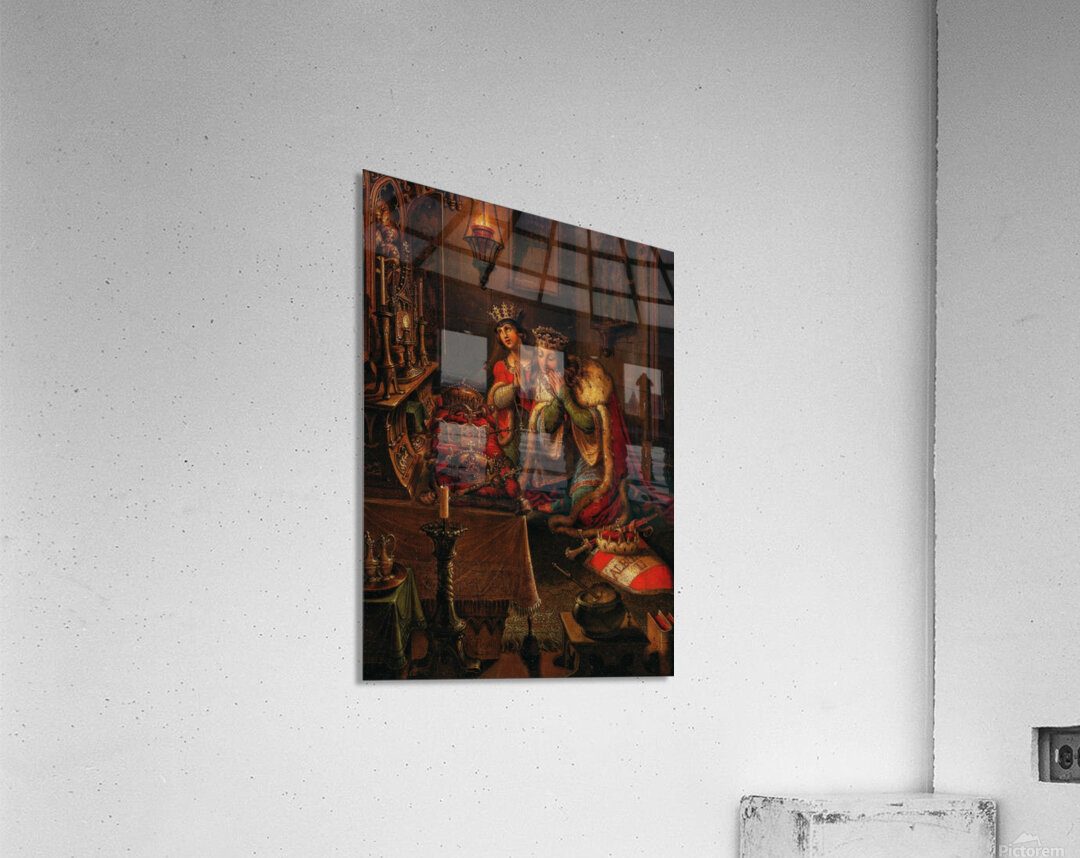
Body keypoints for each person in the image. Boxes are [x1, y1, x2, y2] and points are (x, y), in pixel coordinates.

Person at [484, 302, 529, 467]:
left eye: (508, 329)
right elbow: (497, 401)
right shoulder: (500, 366)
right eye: (500, 331)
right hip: (510, 428)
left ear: (519, 332)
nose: (504, 335)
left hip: (533, 426)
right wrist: (514, 386)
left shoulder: (537, 360)